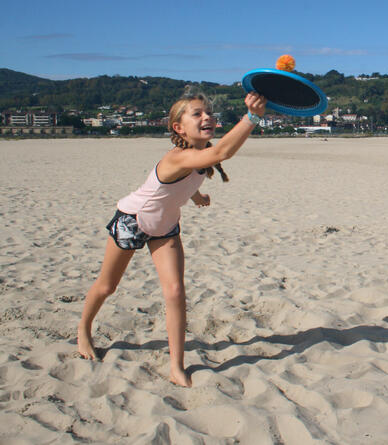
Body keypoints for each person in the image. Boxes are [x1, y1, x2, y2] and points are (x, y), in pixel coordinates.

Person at [77, 91, 267, 387]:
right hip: (132, 221)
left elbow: (189, 176)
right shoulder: (179, 156)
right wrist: (251, 117)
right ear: (178, 127)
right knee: (107, 286)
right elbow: (219, 155)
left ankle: (176, 366)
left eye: (209, 113)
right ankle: (84, 330)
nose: (207, 117)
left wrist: (196, 195)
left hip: (165, 227)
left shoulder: (199, 155)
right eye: (197, 114)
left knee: (176, 292)